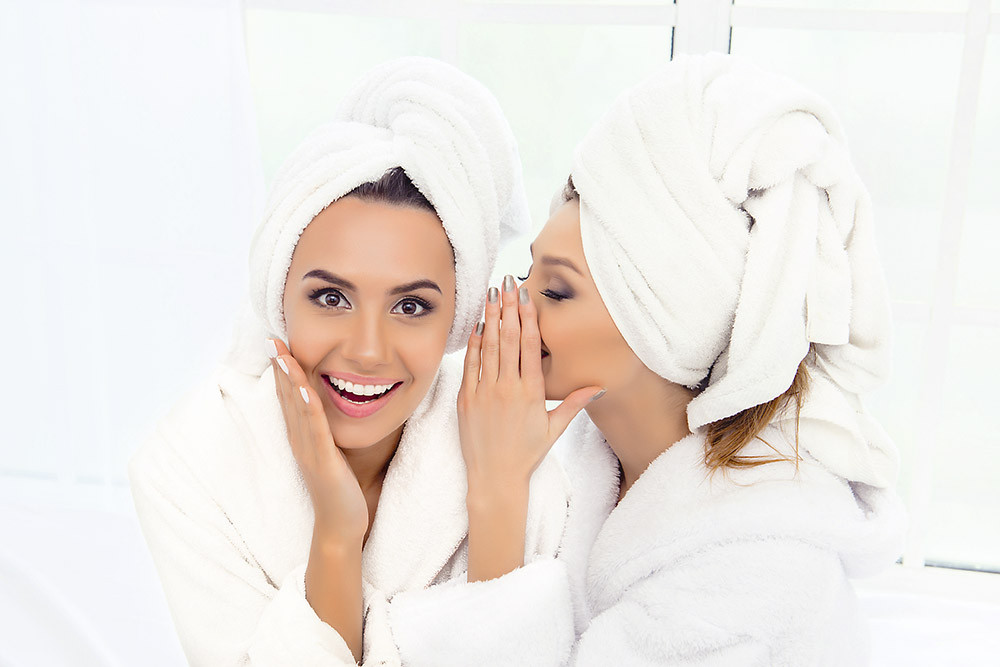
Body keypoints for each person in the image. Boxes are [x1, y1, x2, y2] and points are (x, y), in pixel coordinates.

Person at [400, 53, 907, 666]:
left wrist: (497, 492)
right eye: (529, 272)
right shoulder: (585, 461)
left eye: (556, 291)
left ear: (664, 326)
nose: (514, 306)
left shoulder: (752, 575)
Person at [128, 57, 574, 667]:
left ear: (457, 320)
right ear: (278, 298)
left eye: (411, 306)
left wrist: (497, 496)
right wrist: (338, 531)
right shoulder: (194, 468)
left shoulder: (510, 449)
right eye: (331, 298)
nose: (366, 350)